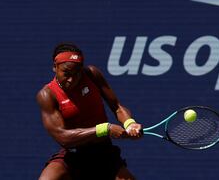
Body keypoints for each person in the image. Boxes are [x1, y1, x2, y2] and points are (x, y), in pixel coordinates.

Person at [36, 42, 142, 180]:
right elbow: (63, 137)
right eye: (66, 73)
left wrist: (129, 123)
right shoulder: (47, 95)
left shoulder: (92, 74)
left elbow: (116, 106)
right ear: (54, 67)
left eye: (77, 73)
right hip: (73, 155)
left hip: (103, 153)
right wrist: (105, 129)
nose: (72, 79)